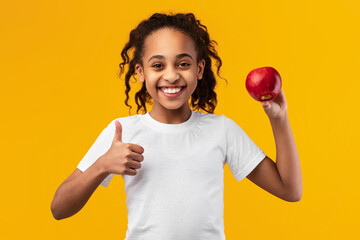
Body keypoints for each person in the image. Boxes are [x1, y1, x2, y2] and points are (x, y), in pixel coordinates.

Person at [51, 12, 302, 239]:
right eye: (158, 65)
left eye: (183, 63)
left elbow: (290, 190)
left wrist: (279, 118)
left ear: (199, 68)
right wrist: (102, 165)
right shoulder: (122, 132)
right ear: (140, 72)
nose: (171, 75)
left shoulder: (221, 130)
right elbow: (59, 208)